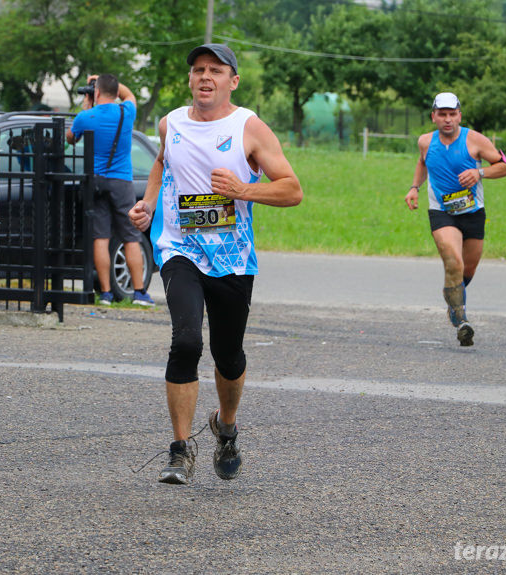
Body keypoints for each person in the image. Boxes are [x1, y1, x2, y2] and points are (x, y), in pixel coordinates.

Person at [129, 43, 303, 484]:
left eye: (216, 70)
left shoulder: (250, 127)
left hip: (231, 257)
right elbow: (163, 164)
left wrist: (242, 190)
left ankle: (226, 428)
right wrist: (148, 204)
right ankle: (180, 449)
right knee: (186, 342)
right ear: (190, 79)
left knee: (228, 356)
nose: (205, 76)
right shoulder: (172, 123)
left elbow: (291, 190)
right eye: (198, 70)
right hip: (178, 247)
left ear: (233, 81)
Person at [404, 92, 506, 346]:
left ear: (459, 116)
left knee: (467, 269)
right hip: (441, 212)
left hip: (473, 212)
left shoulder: (475, 140)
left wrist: (479, 172)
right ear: (434, 117)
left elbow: (505, 166)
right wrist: (414, 188)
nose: (448, 119)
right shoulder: (425, 142)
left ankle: (452, 301)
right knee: (454, 261)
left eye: (452, 114)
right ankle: (461, 319)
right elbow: (422, 162)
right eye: (442, 114)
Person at [67, 74, 154, 306]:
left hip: (95, 181)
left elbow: (70, 139)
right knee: (131, 236)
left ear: (95, 93)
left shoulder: (86, 117)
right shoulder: (126, 112)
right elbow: (129, 95)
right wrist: (104, 82)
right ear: (115, 93)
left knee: (101, 237)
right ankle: (139, 293)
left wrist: (86, 106)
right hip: (121, 181)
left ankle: (104, 293)